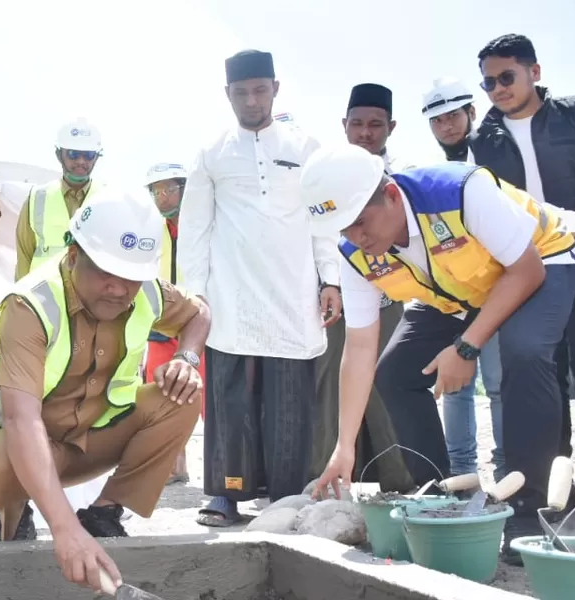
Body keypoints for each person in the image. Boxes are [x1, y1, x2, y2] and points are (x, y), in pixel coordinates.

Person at [305, 143, 575, 566]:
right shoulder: (356, 255)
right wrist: (344, 447)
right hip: (462, 290)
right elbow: (359, 347)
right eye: (344, 230)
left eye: (360, 222)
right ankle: (443, 496)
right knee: (394, 373)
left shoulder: (457, 192)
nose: (357, 238)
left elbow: (526, 270)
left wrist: (466, 347)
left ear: (392, 196)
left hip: (541, 257)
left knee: (524, 353)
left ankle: (530, 509)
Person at [0, 188, 209, 593]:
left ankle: (104, 515)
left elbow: (199, 312)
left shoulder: (147, 292)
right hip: (19, 451)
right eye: (107, 273)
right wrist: (64, 530)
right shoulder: (31, 306)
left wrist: (188, 359)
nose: (120, 289)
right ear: (74, 257)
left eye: (131, 278)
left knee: (182, 394)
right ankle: (15, 516)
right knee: (3, 464)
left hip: (90, 440)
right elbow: (22, 421)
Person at [177, 49, 339, 527]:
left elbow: (323, 221)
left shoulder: (306, 146)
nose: (251, 100)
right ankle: (225, 495)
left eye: (259, 89)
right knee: (229, 397)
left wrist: (330, 278)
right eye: (241, 92)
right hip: (232, 295)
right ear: (227, 95)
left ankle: (285, 498)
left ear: (275, 89)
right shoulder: (212, 152)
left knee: (290, 399)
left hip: (292, 292)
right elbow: (196, 227)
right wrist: (195, 293)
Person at [470, 33, 575, 530]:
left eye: (506, 77)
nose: (497, 89)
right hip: (533, 277)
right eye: (488, 82)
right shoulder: (481, 141)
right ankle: (553, 493)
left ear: (534, 71)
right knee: (539, 379)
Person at [311, 84, 412, 489]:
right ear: (344, 125)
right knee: (329, 386)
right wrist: (330, 283)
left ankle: (402, 482)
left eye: (375, 124)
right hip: (334, 295)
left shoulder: (402, 176)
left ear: (391, 126)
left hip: (389, 296)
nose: (365, 132)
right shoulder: (326, 172)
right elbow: (320, 233)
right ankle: (323, 482)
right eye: (357, 124)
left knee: (386, 385)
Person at [421, 76, 504, 478]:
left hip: (504, 284)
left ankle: (506, 468)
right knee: (455, 386)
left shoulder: (499, 156)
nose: (447, 126)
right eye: (437, 120)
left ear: (471, 112)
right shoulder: (433, 172)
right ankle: (462, 471)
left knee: (500, 383)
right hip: (457, 294)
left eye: (453, 115)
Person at [143, 162, 205, 484]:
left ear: (184, 187)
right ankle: (174, 465)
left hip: (196, 320)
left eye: (170, 189)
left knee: (205, 397)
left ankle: (226, 468)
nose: (163, 198)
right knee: (160, 392)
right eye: (157, 191)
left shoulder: (202, 221)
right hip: (159, 321)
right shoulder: (149, 227)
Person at [15, 118, 105, 279]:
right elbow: (24, 255)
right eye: (73, 154)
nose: (80, 161)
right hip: (44, 295)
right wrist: (19, 299)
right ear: (59, 154)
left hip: (91, 296)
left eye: (88, 155)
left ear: (97, 157)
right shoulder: (37, 198)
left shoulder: (109, 200)